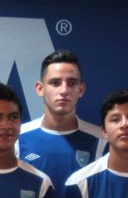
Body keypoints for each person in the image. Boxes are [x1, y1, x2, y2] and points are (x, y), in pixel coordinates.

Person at [18, 50, 105, 186]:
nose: (64, 90)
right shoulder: (17, 138)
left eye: (72, 83)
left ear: (81, 89)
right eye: (55, 83)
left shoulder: (101, 140)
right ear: (40, 88)